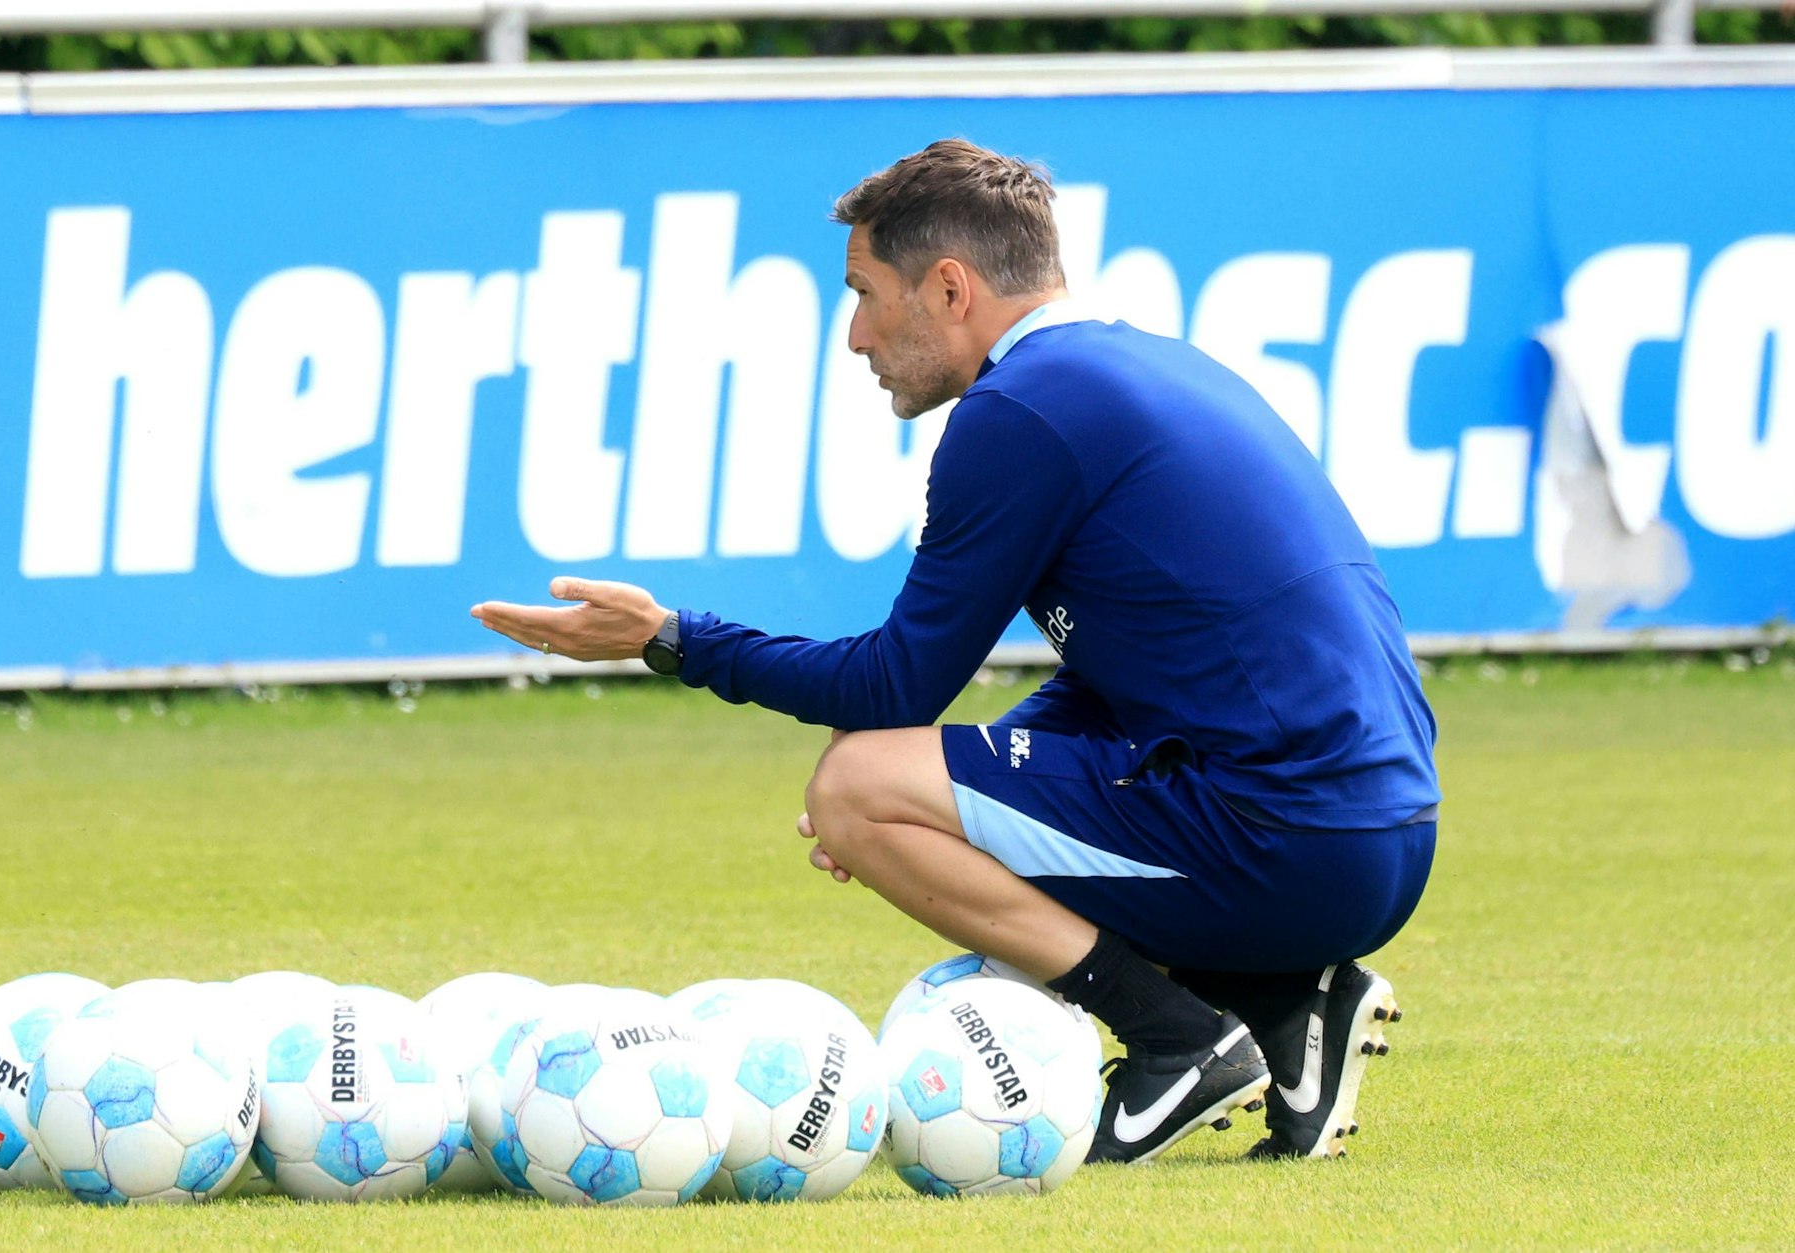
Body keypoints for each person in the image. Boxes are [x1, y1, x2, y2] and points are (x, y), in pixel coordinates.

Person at [473, 138, 1437, 1163]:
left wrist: (672, 639)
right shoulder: (1144, 366)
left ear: (947, 287)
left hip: (1293, 837)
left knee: (855, 789)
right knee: (893, 785)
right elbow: (1123, 674)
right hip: (1381, 837)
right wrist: (956, 797)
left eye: (863, 293)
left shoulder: (1018, 411)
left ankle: (1179, 1038)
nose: (855, 335)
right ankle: (1285, 1002)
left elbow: (896, 683)